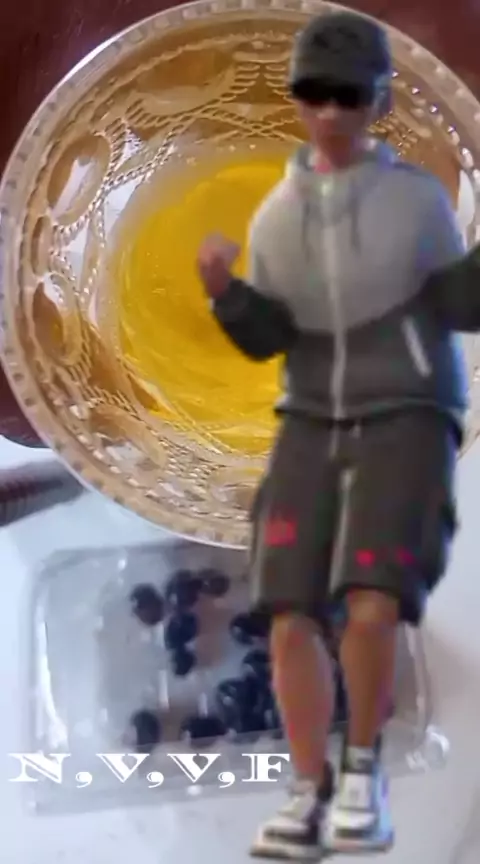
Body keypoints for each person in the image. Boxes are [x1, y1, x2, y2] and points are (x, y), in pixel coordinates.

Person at [197, 10, 479, 860]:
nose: (330, 112)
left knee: (372, 601)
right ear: (296, 101)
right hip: (310, 414)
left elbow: (457, 304)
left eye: (349, 95)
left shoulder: (417, 201)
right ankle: (306, 787)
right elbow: (269, 337)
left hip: (405, 408)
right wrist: (226, 293)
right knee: (288, 615)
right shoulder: (276, 217)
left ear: (379, 101)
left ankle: (361, 774)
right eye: (315, 94)